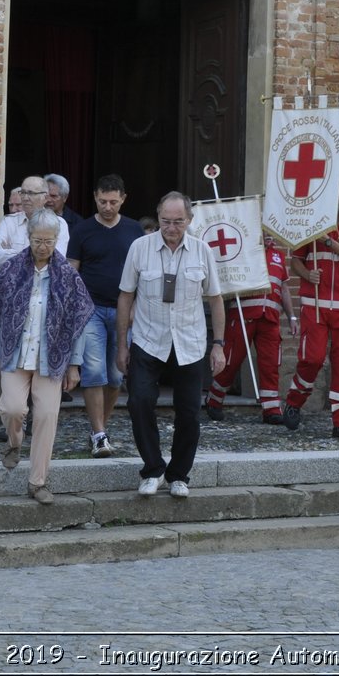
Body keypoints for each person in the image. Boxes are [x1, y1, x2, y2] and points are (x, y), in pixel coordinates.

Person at [115, 192, 226, 498]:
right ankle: (152, 469)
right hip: (148, 340)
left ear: (189, 220)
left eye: (178, 222)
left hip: (189, 342)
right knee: (139, 401)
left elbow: (215, 299)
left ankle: (179, 474)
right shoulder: (140, 248)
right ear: (158, 216)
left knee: (189, 412)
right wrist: (122, 344)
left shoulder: (202, 251)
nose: (171, 227)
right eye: (166, 221)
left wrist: (218, 344)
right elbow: (125, 295)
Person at [0, 209, 93, 504]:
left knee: (46, 416)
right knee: (12, 409)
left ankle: (38, 482)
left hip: (52, 357)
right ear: (28, 238)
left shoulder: (69, 276)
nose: (42, 246)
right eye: (36, 240)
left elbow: (79, 321)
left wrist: (75, 364)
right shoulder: (11, 270)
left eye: (48, 241)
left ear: (57, 240)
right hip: (13, 353)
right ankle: (14, 442)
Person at [282, 172, 339, 441]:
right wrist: (308, 275)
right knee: (312, 357)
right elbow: (295, 261)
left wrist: (329, 242)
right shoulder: (312, 224)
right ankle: (294, 401)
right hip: (316, 303)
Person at [66, 174, 144, 456]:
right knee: (94, 371)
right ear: (95, 198)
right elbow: (72, 272)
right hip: (91, 310)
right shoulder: (82, 230)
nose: (107, 207)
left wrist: (137, 306)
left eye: (113, 202)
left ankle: (99, 429)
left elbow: (143, 274)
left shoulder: (135, 230)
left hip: (125, 310)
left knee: (115, 375)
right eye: (102, 201)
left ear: (123, 199)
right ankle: (100, 433)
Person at [207, 235, 293, 425]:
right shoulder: (242, 252)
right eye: (263, 230)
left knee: (271, 363)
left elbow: (284, 288)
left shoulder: (279, 255)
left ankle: (271, 409)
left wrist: (291, 316)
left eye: (271, 231)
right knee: (230, 360)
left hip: (270, 318)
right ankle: (214, 399)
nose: (268, 235)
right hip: (243, 314)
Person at [0, 176, 67, 270]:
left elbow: (56, 261)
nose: (25, 198)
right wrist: (38, 257)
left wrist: (12, 252)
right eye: (23, 192)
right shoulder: (8, 222)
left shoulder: (59, 224)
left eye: (31, 193)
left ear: (45, 197)